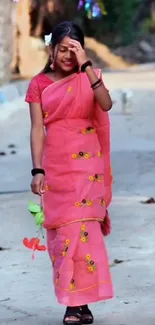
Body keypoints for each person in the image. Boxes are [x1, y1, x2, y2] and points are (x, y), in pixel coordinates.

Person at [25, 21, 113, 325]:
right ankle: (73, 301)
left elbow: (106, 104)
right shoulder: (38, 83)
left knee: (83, 235)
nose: (66, 55)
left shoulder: (90, 79)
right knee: (63, 238)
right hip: (56, 169)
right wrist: (37, 170)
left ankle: (79, 304)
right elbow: (37, 129)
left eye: (73, 50)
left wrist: (86, 66)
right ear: (52, 50)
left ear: (81, 51)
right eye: (62, 49)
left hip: (88, 170)